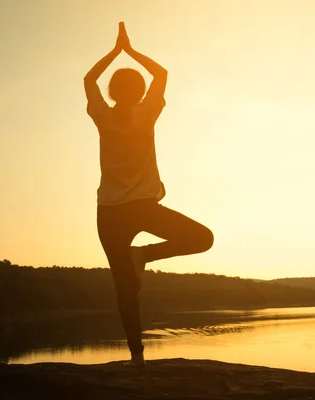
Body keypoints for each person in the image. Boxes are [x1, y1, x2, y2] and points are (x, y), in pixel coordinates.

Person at [84, 22, 214, 366]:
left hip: (109, 212)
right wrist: (130, 51)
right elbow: (161, 72)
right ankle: (144, 256)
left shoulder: (103, 115)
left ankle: (137, 358)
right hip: (141, 208)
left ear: (113, 92)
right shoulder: (146, 112)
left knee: (124, 287)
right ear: (140, 91)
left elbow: (87, 81)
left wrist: (114, 52)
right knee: (202, 239)